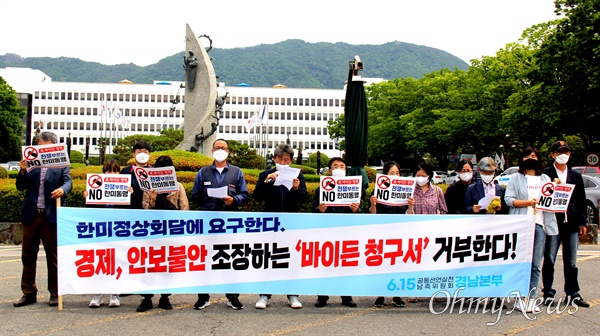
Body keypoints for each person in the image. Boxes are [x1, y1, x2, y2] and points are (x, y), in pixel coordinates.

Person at [14, 131, 72, 308]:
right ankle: (29, 292)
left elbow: (68, 182)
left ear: (53, 147)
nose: (41, 150)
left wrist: (63, 190)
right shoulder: (30, 163)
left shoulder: (61, 164)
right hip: (31, 214)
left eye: (45, 147)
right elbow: (20, 187)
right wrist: (23, 171)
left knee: (53, 255)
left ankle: (55, 292)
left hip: (50, 215)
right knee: (28, 255)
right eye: (39, 146)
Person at [191, 139, 249, 310]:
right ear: (212, 150)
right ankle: (203, 296)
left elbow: (244, 194)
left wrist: (234, 199)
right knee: (205, 259)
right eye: (217, 148)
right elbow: (194, 195)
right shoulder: (203, 172)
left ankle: (232, 296)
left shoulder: (237, 172)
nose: (220, 151)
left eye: (223, 148)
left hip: (229, 222)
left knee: (230, 259)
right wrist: (207, 198)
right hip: (207, 222)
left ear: (228, 152)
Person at [253, 144, 307, 309]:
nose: (284, 162)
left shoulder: (297, 174)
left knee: (291, 258)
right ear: (275, 159)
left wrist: (297, 188)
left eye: (287, 160)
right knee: (268, 257)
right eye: (281, 159)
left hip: (291, 222)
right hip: (270, 222)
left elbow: (304, 199)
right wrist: (268, 182)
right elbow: (257, 196)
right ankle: (264, 295)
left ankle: (292, 294)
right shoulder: (266, 174)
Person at [504, 146, 558, 313]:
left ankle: (532, 298)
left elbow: (553, 200)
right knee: (521, 263)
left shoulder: (545, 179)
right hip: (520, 225)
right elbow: (508, 200)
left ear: (539, 159)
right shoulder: (515, 178)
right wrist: (528, 203)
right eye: (527, 156)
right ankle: (519, 298)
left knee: (535, 264)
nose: (530, 159)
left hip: (539, 224)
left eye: (533, 156)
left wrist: (557, 189)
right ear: (522, 159)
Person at [135, 155, 189, 312]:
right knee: (149, 264)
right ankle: (146, 298)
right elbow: (144, 209)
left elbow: (184, 209)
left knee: (169, 265)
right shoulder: (149, 187)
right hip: (152, 232)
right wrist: (152, 199)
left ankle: (165, 297)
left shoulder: (178, 187)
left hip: (171, 232)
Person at [541, 140, 590, 308]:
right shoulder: (546, 174)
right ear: (553, 154)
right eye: (559, 152)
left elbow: (581, 200)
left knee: (571, 261)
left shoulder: (575, 175)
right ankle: (548, 292)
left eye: (566, 152)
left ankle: (572, 293)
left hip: (571, 222)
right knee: (549, 258)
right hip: (553, 222)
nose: (563, 155)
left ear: (569, 154)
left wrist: (582, 221)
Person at [84, 160, 133, 308]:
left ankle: (115, 294)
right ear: (103, 172)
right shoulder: (96, 187)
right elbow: (90, 211)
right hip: (100, 230)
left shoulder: (126, 188)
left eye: (115, 171)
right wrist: (87, 196)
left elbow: (133, 210)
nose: (112, 174)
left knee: (117, 261)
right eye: (108, 171)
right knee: (99, 261)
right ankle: (97, 294)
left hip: (119, 229)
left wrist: (132, 194)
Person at [312, 157, 359, 308]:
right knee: (325, 263)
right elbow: (313, 210)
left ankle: (346, 296)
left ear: (346, 170)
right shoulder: (322, 188)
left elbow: (360, 211)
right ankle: (322, 296)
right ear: (330, 170)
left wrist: (356, 209)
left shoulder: (353, 187)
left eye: (342, 166)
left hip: (346, 231)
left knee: (345, 264)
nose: (339, 168)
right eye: (335, 166)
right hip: (327, 231)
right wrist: (320, 209)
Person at [369, 161, 414, 308]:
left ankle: (397, 295)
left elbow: (410, 214)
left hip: (400, 231)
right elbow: (372, 214)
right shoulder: (377, 190)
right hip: (382, 231)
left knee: (398, 264)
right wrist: (373, 204)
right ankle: (380, 294)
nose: (395, 175)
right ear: (385, 175)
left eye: (397, 173)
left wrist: (411, 205)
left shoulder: (406, 190)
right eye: (391, 173)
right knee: (382, 263)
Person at [406, 162, 447, 303]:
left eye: (423, 175)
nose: (420, 178)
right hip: (415, 232)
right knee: (416, 261)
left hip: (434, 231)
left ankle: (436, 291)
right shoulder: (409, 190)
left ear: (429, 176)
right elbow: (406, 214)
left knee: (435, 261)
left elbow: (443, 210)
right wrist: (410, 207)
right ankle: (414, 291)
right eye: (418, 175)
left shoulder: (437, 191)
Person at [120, 140, 152, 210]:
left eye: (145, 152)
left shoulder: (154, 172)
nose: (142, 154)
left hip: (150, 211)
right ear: (134, 154)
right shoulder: (126, 171)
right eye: (139, 152)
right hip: (129, 210)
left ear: (149, 154)